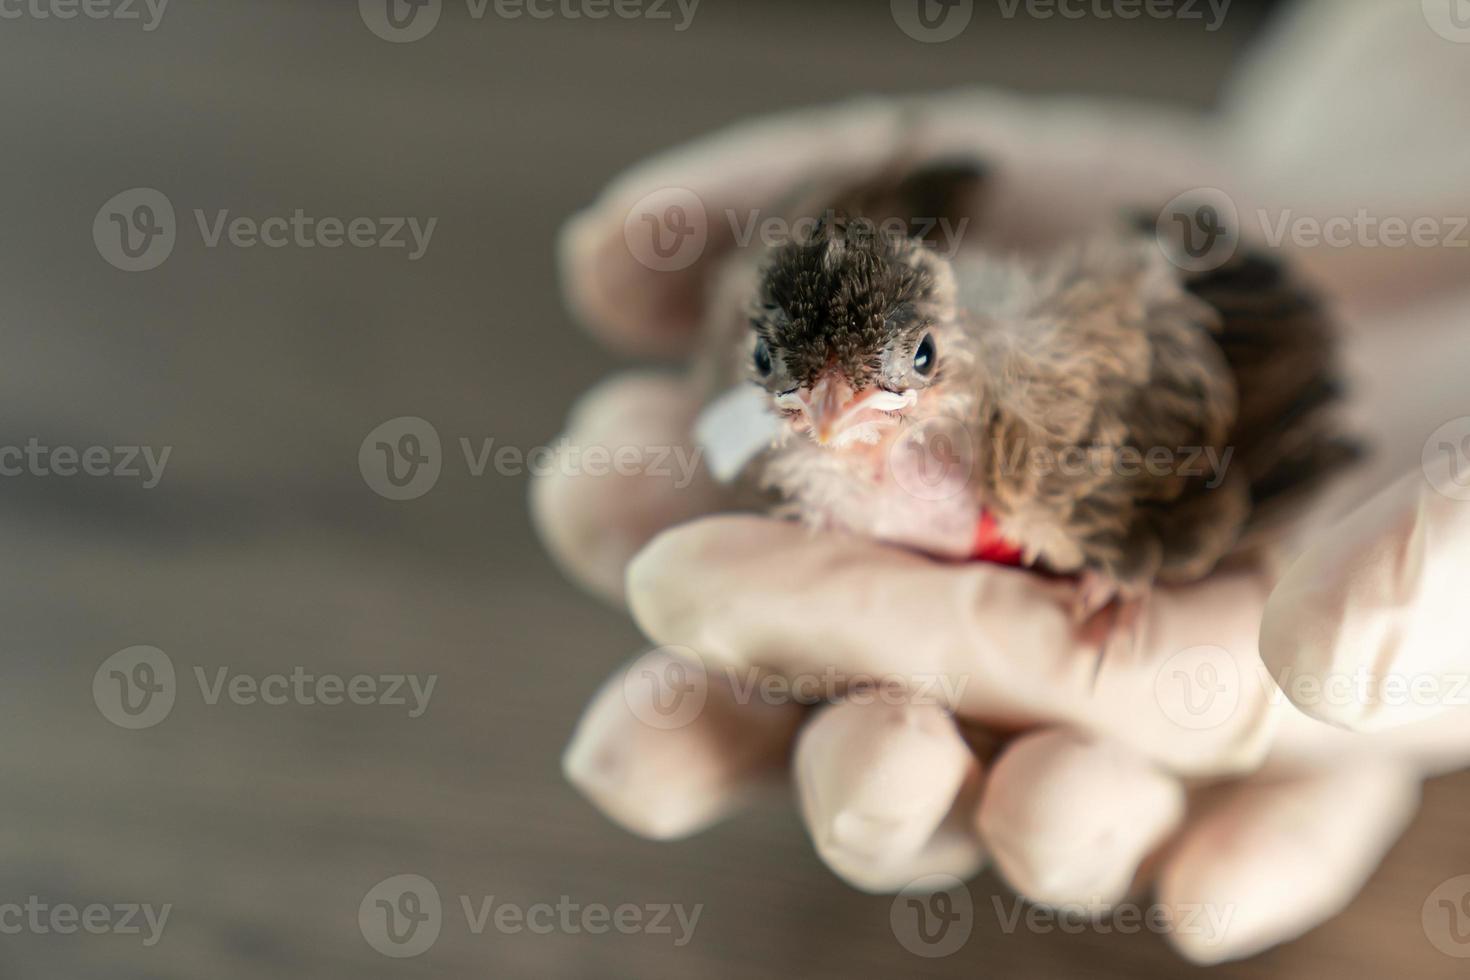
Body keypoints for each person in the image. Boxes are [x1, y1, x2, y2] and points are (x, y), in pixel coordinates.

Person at [534, 0, 1470, 962]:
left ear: (944, 351)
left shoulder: (1045, 437)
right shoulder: (743, 418)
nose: (844, 418)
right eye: (792, 382)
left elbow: (1230, 450)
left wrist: (1128, 566)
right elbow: (743, 408)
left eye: (907, 370)